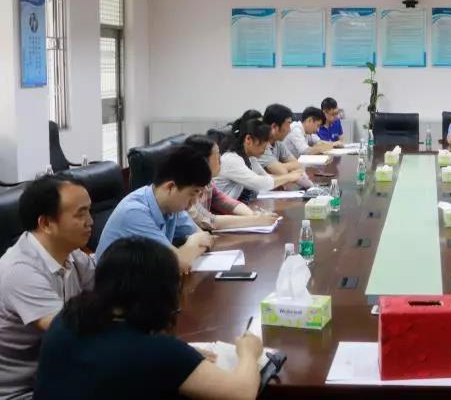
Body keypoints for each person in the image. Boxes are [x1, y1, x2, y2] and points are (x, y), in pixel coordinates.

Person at [34, 237, 263, 400]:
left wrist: (183, 355)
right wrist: (249, 352)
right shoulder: (158, 351)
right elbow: (241, 392)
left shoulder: (67, 318)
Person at [0, 175, 95, 399]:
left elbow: (110, 290)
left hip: (59, 375)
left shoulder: (72, 254)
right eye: (80, 214)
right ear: (46, 224)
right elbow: (70, 334)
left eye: (89, 211)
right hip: (21, 392)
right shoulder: (20, 271)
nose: (90, 221)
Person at [96, 146, 215, 273]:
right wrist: (193, 242)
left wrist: (191, 247)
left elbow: (205, 237)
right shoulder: (134, 213)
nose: (194, 202)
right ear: (170, 187)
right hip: (115, 283)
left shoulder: (172, 207)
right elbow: (178, 263)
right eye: (192, 194)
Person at [183, 134, 280, 231]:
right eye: (216, 154)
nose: (220, 158)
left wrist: (253, 215)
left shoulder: (208, 182)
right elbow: (208, 221)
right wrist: (255, 220)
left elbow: (225, 201)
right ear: (202, 160)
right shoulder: (187, 187)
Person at [215, 117, 304, 202]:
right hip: (217, 209)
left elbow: (265, 177)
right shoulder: (231, 159)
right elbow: (259, 183)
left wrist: (290, 177)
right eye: (264, 141)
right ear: (248, 139)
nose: (267, 147)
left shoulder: (250, 158)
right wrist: (288, 177)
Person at [257, 104, 304, 177]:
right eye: (288, 124)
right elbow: (281, 171)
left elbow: (298, 164)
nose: (289, 130)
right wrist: (280, 167)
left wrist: (279, 166)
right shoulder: (260, 144)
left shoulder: (278, 142)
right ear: (274, 126)